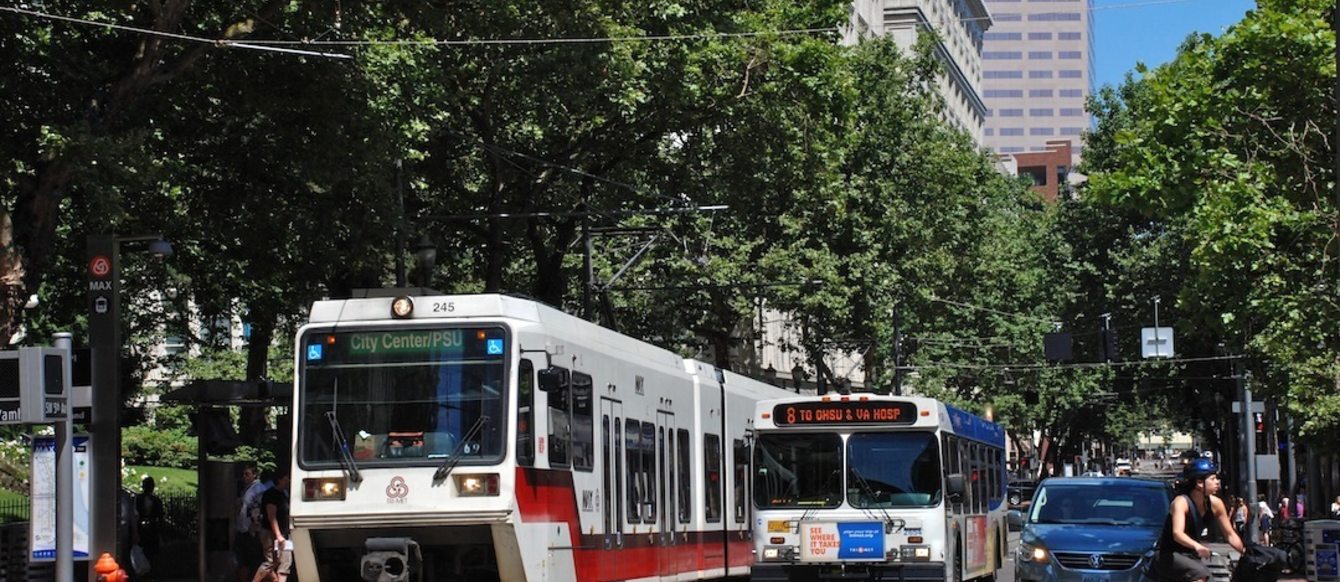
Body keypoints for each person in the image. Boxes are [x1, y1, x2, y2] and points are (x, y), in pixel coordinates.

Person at [1152, 459, 1245, 582]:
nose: (1217, 482)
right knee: (1200, 574)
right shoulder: (1181, 502)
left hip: (1191, 555)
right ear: (1200, 483)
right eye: (1213, 479)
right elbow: (1177, 534)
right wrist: (1197, 546)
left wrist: (1244, 552)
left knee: (1209, 578)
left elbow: (1229, 534)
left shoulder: (1216, 504)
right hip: (1168, 554)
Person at [252, 470, 292, 582]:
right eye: (286, 478)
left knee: (285, 562)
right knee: (270, 562)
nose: (289, 481)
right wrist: (278, 536)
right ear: (279, 480)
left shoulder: (283, 494)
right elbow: (271, 517)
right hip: (271, 533)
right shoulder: (271, 495)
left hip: (283, 533)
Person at [235, 464, 267, 581]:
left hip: (251, 530)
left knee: (253, 559)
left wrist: (255, 525)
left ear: (254, 475)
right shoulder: (246, 488)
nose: (244, 477)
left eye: (247, 474)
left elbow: (258, 508)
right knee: (243, 559)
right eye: (243, 474)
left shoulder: (258, 488)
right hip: (243, 527)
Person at [136, 476, 165, 578]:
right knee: (143, 551)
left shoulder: (156, 500)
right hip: (143, 528)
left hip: (152, 529)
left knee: (151, 552)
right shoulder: (138, 499)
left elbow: (160, 516)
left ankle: (151, 574)